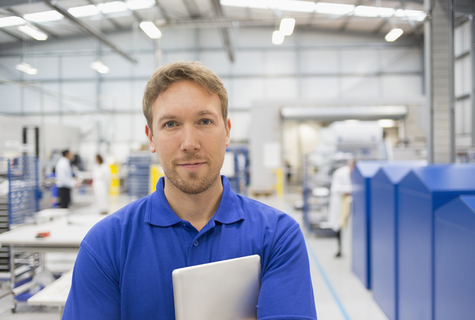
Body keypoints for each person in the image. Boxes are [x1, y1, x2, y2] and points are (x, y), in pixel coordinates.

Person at [62, 61, 317, 320]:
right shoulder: (106, 244)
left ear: (227, 131)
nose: (189, 144)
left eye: (204, 121)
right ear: (151, 137)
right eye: (171, 124)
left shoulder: (277, 237)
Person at [325, 161, 354, 258]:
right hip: (339, 203)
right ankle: (340, 250)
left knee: (348, 227)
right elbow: (336, 188)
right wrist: (351, 189)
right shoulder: (340, 173)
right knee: (339, 225)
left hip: (349, 203)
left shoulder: (354, 173)